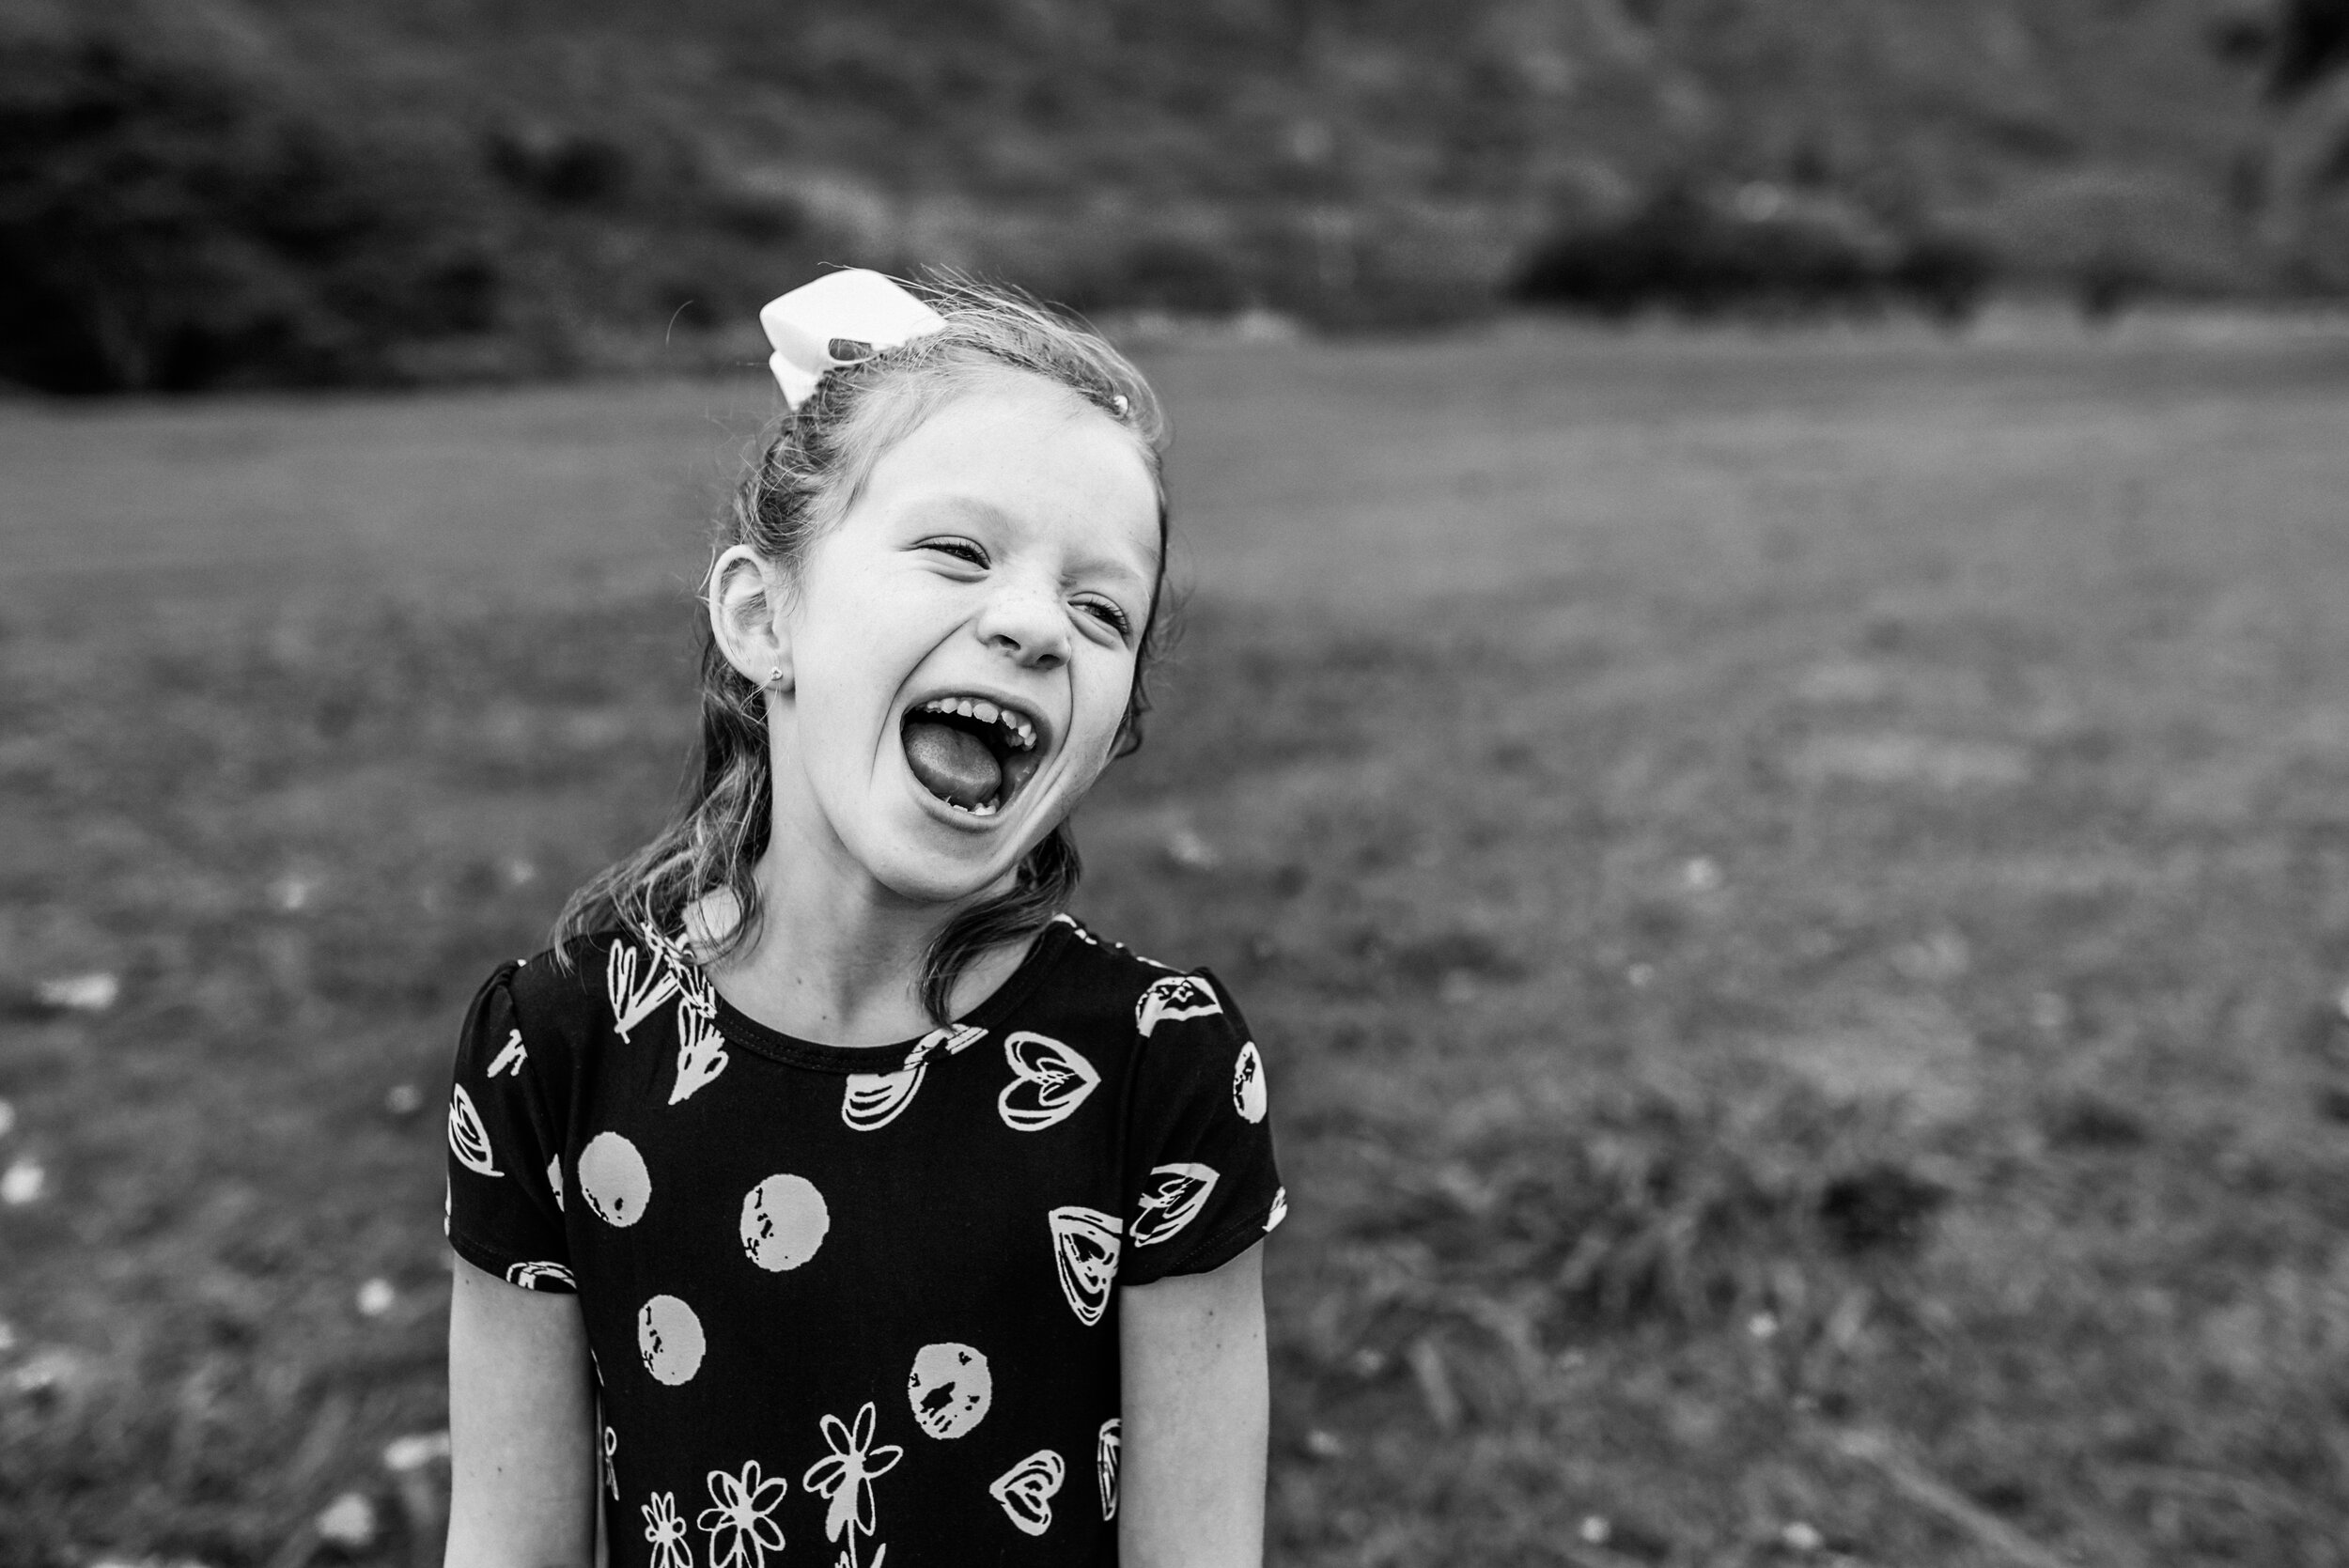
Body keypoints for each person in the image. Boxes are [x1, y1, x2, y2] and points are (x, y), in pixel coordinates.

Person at [441, 271, 1283, 1567]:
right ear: (763, 617)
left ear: (1117, 726)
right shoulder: (554, 1050)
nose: (1034, 627)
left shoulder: (1156, 1069)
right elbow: (508, 1544)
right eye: (959, 550)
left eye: (1101, 609)